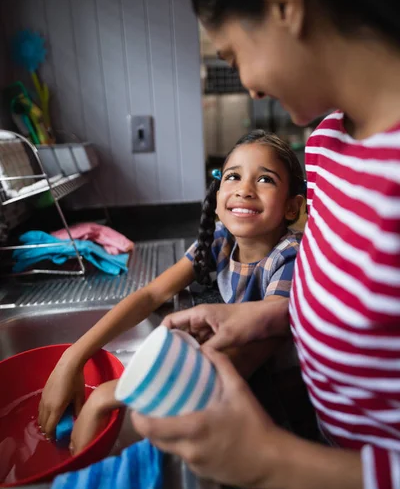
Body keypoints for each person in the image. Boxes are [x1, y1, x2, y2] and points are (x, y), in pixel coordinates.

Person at [130, 0, 400, 489]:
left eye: (233, 53)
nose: (247, 85)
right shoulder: (329, 140)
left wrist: (272, 461)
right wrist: (274, 317)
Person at [39, 130, 304, 452]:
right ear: (218, 198)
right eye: (233, 176)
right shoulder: (220, 241)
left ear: (292, 208)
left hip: (281, 406)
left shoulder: (289, 257)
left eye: (265, 180)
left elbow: (253, 347)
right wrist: (73, 357)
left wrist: (112, 394)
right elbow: (151, 296)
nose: (245, 190)